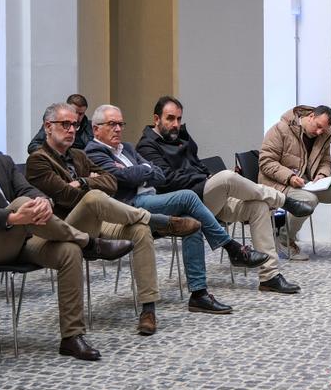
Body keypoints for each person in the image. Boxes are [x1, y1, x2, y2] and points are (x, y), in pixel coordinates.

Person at [0, 105, 133, 361]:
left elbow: (29, 189)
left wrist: (42, 201)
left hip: (22, 237)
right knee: (19, 205)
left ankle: (72, 337)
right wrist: (13, 216)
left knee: (67, 250)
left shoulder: (1, 161)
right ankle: (89, 242)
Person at [27, 102, 198, 335]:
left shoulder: (77, 155)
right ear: (48, 127)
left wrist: (85, 181)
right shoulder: (38, 160)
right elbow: (66, 196)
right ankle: (160, 221)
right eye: (64, 124)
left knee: (139, 230)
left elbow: (112, 182)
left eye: (74, 125)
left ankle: (148, 309)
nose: (71, 130)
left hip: (94, 223)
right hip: (63, 228)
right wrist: (91, 183)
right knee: (94, 197)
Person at [86, 104, 272, 315]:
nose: (118, 129)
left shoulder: (127, 149)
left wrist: (139, 170)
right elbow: (123, 178)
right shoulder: (93, 152)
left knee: (191, 222)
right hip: (128, 207)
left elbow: (158, 175)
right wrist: (140, 170)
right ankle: (232, 248)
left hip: (152, 199)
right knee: (188, 196)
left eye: (120, 124)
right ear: (96, 129)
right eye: (112, 124)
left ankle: (199, 294)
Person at [137, 95, 312, 295]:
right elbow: (166, 180)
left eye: (178, 118)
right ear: (156, 119)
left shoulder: (181, 136)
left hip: (204, 198)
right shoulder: (146, 146)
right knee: (227, 177)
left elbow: (197, 164)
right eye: (170, 119)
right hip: (181, 205)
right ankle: (283, 200)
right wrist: (205, 179)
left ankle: (269, 277)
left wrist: (207, 176)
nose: (175, 124)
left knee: (258, 207)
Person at [259, 105, 331, 261]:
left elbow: (325, 162)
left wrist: (322, 174)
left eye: (324, 129)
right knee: (308, 199)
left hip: (307, 184)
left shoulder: (323, 136)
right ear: (311, 117)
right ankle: (284, 240)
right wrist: (290, 177)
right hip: (279, 183)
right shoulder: (280, 129)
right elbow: (266, 162)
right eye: (318, 126)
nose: (320, 132)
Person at [27, 93, 92, 154]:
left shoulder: (91, 127)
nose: (77, 117)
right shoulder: (53, 124)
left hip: (82, 162)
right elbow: (33, 146)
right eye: (75, 112)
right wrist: (57, 153)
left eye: (81, 114)